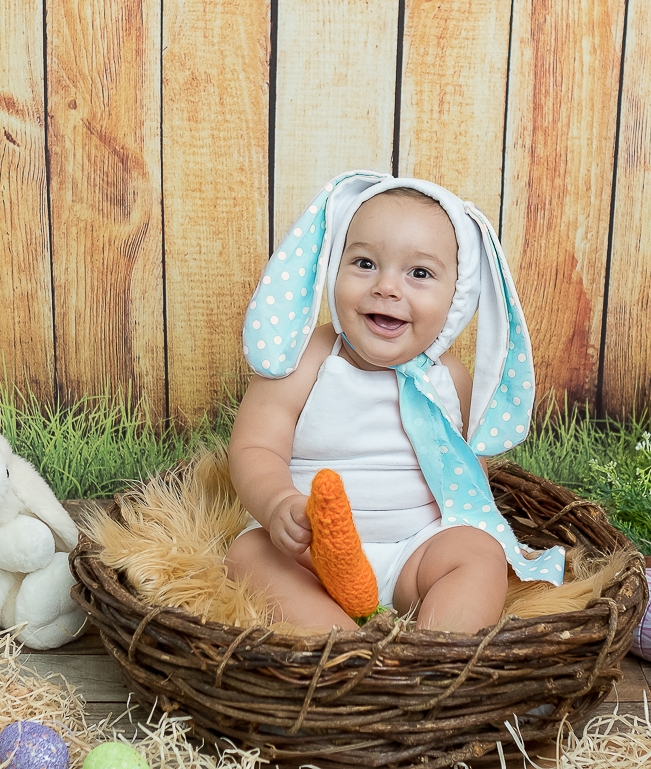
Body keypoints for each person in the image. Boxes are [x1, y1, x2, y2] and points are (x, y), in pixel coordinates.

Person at [226, 171, 564, 633]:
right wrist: (277, 502)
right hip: (310, 555)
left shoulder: (450, 379)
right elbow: (254, 448)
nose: (387, 287)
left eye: (419, 273)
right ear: (333, 268)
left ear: (458, 296)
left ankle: (436, 659)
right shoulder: (306, 359)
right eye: (364, 263)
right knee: (249, 555)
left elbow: (465, 474)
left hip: (413, 551)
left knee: (478, 553)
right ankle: (345, 652)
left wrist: (473, 531)